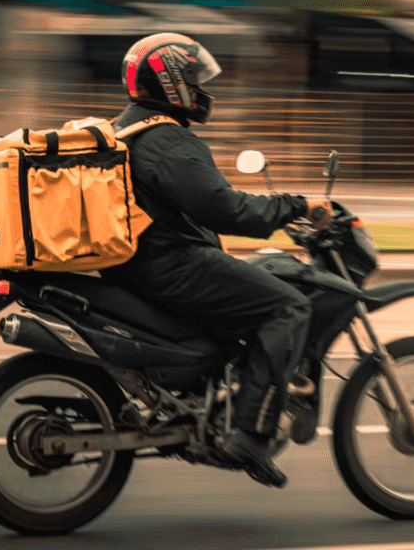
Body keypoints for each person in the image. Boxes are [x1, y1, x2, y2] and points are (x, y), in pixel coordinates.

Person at [103, 33, 331, 488]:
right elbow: (225, 210)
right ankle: (250, 434)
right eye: (193, 79)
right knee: (288, 307)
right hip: (172, 267)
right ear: (171, 83)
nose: (201, 90)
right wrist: (295, 206)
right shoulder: (168, 140)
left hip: (134, 267)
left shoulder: (122, 130)